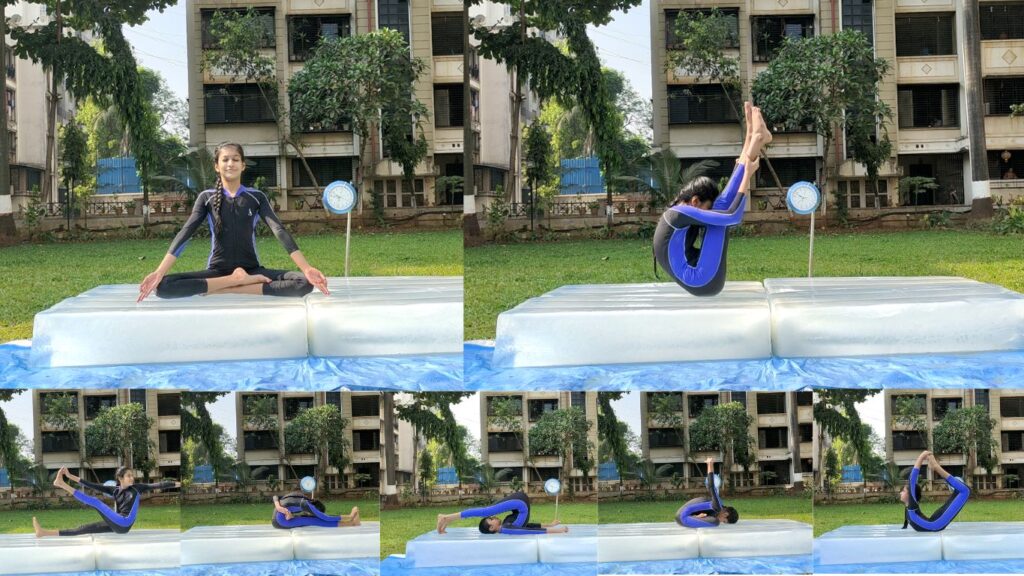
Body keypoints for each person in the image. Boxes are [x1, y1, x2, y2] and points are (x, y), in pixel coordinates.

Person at [138, 142, 330, 301]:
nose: (231, 163)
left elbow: (279, 230)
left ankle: (231, 286)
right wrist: (159, 272)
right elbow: (186, 233)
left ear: (243, 165)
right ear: (216, 166)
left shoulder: (256, 197)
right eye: (225, 159)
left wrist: (306, 268)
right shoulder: (207, 197)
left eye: (236, 159)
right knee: (162, 287)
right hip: (217, 271)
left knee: (303, 283)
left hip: (252, 269)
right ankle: (234, 280)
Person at [653, 102, 771, 296]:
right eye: (705, 208)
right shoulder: (679, 214)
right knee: (720, 217)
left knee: (720, 209)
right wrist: (747, 175)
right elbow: (733, 216)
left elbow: (727, 211)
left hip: (703, 279)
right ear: (694, 201)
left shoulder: (675, 214)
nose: (707, 212)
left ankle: (754, 138)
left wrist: (746, 162)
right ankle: (754, 140)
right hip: (703, 282)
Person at [33, 466, 178, 537]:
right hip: (117, 525)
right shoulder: (114, 490)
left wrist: (178, 484)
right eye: (129, 476)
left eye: (132, 476)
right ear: (120, 478)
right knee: (83, 528)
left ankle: (61, 485)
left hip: (124, 522)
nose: (132, 478)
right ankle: (43, 532)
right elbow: (91, 485)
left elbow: (159, 485)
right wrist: (70, 476)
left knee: (95, 501)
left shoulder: (137, 488)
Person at [436, 491, 568, 535]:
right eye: (491, 519)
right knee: (486, 511)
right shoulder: (506, 528)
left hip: (520, 502)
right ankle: (446, 517)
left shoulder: (506, 525)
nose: (493, 517)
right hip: (520, 502)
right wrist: (557, 529)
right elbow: (529, 529)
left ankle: (447, 518)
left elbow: (527, 526)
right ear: (492, 527)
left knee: (487, 511)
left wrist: (551, 525)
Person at [902, 450, 970, 532]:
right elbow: (908, 520)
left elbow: (912, 479)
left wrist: (922, 456)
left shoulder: (911, 506)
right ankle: (939, 470)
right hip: (935, 523)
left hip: (935, 523)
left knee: (964, 490)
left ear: (910, 495)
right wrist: (904, 526)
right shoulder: (909, 508)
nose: (900, 493)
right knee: (964, 490)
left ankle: (936, 467)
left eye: (903, 491)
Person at [676, 457, 739, 528]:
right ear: (725, 514)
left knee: (713, 519)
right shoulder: (718, 507)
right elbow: (711, 486)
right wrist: (710, 465)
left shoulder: (717, 508)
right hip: (682, 517)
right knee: (715, 523)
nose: (721, 522)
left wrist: (696, 517)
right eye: (724, 521)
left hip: (683, 515)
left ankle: (694, 517)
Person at [272, 489, 360, 529]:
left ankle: (351, 523)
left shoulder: (297, 497)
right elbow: (326, 517)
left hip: (277, 520)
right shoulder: (306, 504)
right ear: (315, 508)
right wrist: (349, 516)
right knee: (315, 520)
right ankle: (351, 523)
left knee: (312, 519)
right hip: (280, 521)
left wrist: (278, 506)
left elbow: (275, 496)